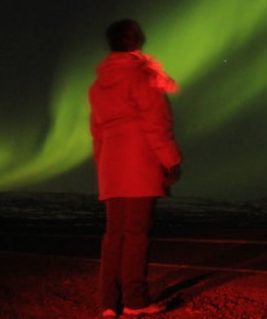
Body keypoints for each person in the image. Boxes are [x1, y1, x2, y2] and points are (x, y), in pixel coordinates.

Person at [88, 19, 182, 317]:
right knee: (137, 233)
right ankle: (135, 301)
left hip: (111, 163)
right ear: (134, 40)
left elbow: (97, 133)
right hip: (139, 159)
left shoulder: (98, 84)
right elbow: (156, 123)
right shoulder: (143, 75)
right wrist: (170, 159)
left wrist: (102, 166)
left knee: (114, 234)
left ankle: (108, 303)